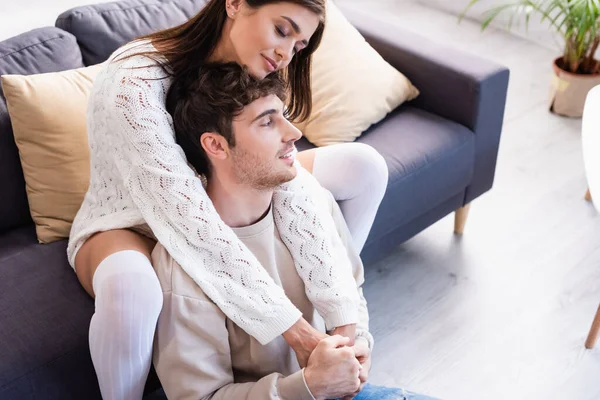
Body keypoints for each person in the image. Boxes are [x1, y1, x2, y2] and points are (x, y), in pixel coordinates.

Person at [69, 0, 388, 398]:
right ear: (234, 4)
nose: (285, 53)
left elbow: (285, 175)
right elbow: (189, 219)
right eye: (282, 30)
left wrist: (343, 329)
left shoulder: (254, 63)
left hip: (217, 188)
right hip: (133, 218)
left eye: (299, 45)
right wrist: (300, 338)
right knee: (132, 286)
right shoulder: (132, 81)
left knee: (364, 168)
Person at [153, 61, 436, 400]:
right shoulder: (181, 268)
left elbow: (351, 287)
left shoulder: (309, 199)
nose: (294, 133)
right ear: (216, 146)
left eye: (283, 115)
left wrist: (357, 344)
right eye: (267, 122)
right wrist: (310, 385)